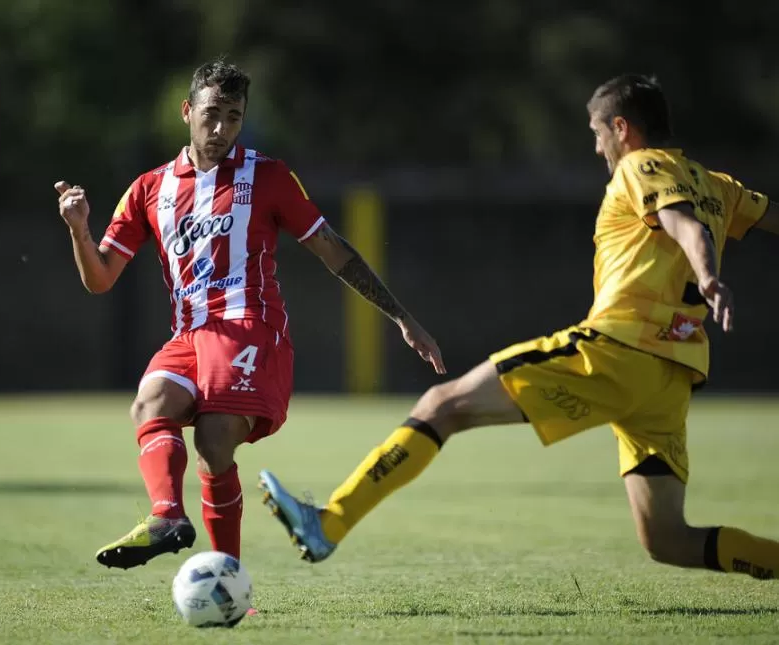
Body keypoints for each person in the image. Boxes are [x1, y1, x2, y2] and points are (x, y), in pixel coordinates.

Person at [259, 74, 779, 581]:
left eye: (598, 134)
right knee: (666, 539)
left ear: (621, 127)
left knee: (441, 406)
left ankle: (330, 522)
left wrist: (708, 276)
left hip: (619, 349)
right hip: (672, 376)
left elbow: (681, 221)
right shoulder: (717, 185)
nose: (598, 149)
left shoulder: (641, 165)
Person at [55, 57, 445, 570]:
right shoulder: (149, 189)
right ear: (186, 110)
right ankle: (168, 516)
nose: (220, 128)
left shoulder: (270, 177)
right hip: (189, 334)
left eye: (233, 117)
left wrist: (400, 316)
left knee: (215, 442)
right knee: (149, 405)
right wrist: (80, 231)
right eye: (212, 113)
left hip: (250, 329)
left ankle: (228, 577)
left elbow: (333, 250)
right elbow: (100, 278)